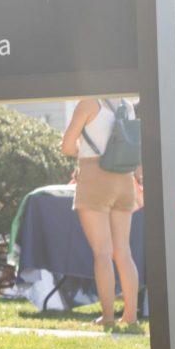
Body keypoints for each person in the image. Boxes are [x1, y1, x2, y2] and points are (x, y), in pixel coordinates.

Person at [60, 98, 141, 330]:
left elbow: (67, 146)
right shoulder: (127, 105)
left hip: (95, 176)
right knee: (123, 252)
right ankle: (130, 316)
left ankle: (107, 317)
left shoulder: (88, 103)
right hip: (124, 179)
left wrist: (80, 149)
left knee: (102, 253)